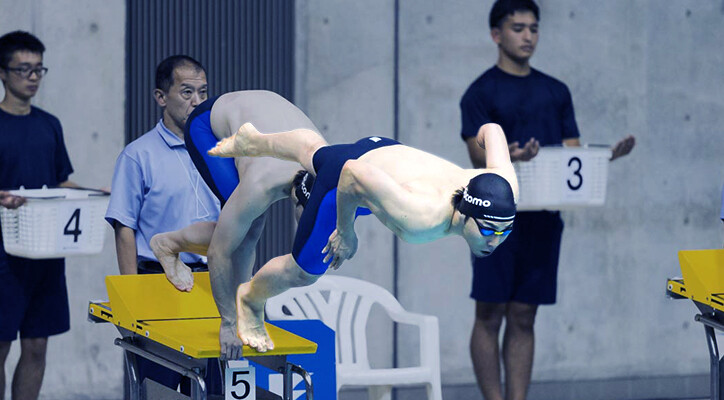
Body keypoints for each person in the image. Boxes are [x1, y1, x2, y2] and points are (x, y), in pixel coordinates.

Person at [208, 121, 519, 353]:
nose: (495, 240)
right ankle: (250, 299)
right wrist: (345, 232)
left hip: (383, 152)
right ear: (464, 213)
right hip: (349, 178)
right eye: (488, 230)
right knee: (303, 272)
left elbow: (493, 131)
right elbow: (352, 173)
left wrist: (483, 133)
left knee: (315, 153)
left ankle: (256, 141)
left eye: (505, 230)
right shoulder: (419, 215)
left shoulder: (504, 189)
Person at [458, 2, 636, 399]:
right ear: (496, 35)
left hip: (543, 218)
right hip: (493, 215)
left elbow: (572, 154)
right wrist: (510, 156)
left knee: (524, 314)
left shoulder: (555, 90)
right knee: (489, 313)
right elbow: (475, 152)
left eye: (534, 29)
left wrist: (604, 156)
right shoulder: (481, 91)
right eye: (518, 28)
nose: (528, 36)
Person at [148, 90, 321, 360]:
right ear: (298, 203)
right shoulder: (260, 185)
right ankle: (167, 244)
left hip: (259, 112)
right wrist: (228, 324)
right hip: (207, 124)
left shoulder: (331, 170)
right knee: (239, 235)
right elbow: (219, 254)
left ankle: (244, 311)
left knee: (247, 230)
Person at [0, 31, 79, 400]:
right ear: (1, 72)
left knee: (37, 344)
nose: (33, 77)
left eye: (39, 69)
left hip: (47, 246)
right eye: (23, 69)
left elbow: (61, 181)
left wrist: (95, 194)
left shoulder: (49, 124)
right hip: (3, 247)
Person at [104, 55, 222, 395]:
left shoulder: (219, 152)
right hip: (157, 284)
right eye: (186, 92)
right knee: (160, 388)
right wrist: (131, 302)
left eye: (202, 92)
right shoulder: (137, 155)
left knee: (213, 388)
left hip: (210, 285)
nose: (197, 102)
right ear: (161, 97)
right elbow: (123, 227)